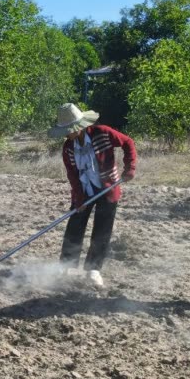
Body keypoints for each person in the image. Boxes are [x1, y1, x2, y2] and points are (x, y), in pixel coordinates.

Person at [51, 103, 137, 289]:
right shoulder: (68, 148)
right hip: (84, 190)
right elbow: (72, 175)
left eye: (68, 131)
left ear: (78, 127)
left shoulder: (103, 133)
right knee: (74, 227)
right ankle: (67, 266)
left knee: (102, 230)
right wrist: (79, 199)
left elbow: (128, 142)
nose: (66, 135)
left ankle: (93, 270)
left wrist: (130, 167)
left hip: (108, 189)